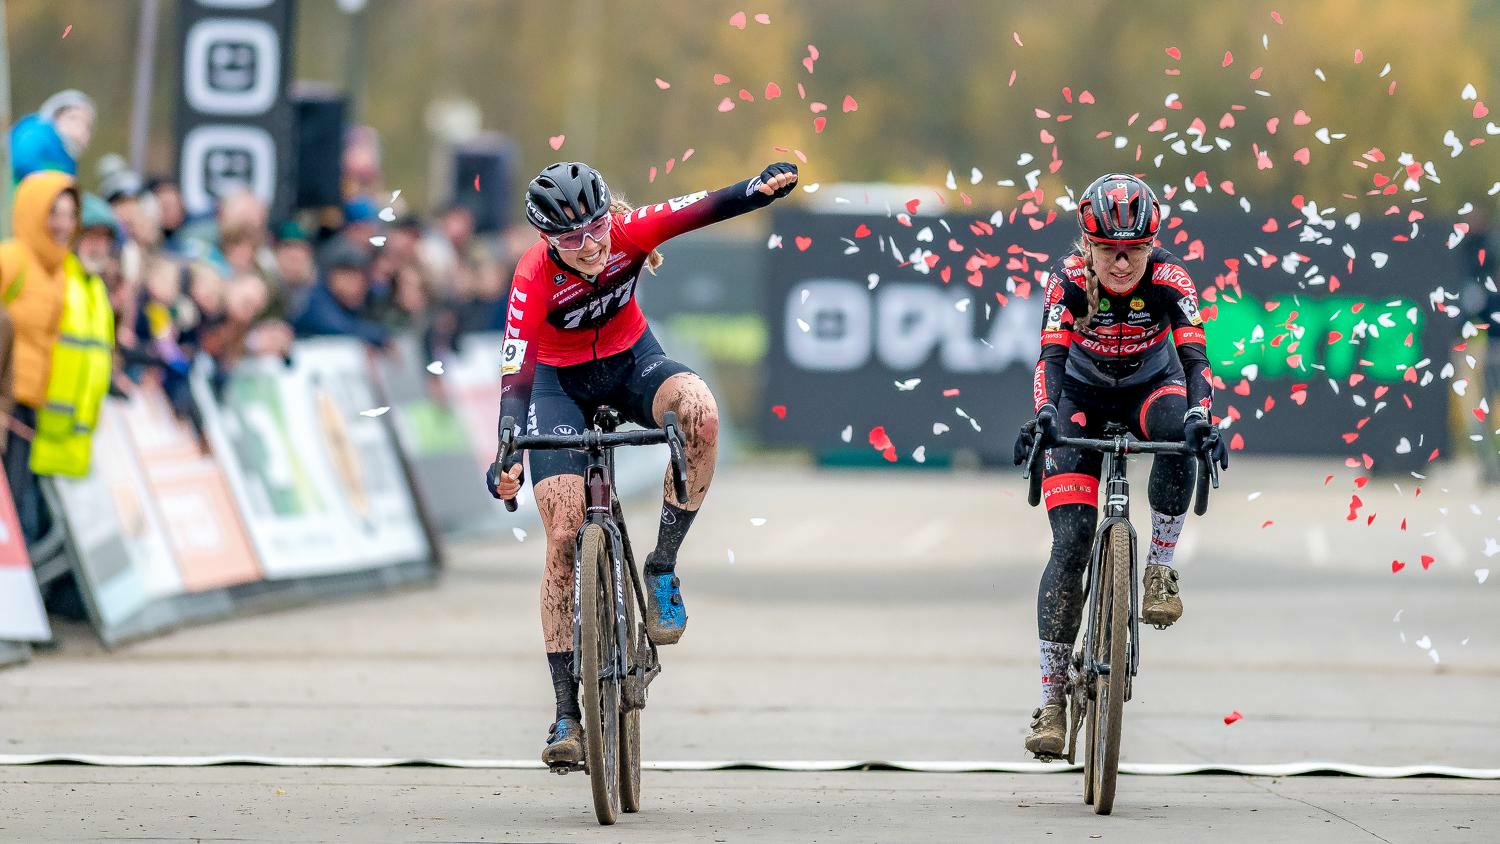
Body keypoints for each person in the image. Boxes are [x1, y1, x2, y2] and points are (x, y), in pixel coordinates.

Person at [486, 160, 798, 766]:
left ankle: (661, 566)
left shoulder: (629, 231)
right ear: (547, 240)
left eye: (597, 227)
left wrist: (754, 189)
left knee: (700, 414)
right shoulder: (532, 274)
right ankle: (565, 714)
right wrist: (506, 448)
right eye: (572, 239)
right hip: (559, 388)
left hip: (632, 364)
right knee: (563, 537)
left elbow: (703, 206)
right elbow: (516, 369)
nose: (592, 245)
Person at [1013, 173, 1228, 758]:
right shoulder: (1068, 281)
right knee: (1073, 541)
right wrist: (1045, 418)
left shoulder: (1170, 279)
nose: (1122, 262)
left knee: (1178, 427)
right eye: (1109, 249)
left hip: (1149, 390)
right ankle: (1053, 703)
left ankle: (1158, 569)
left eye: (1134, 248)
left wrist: (1202, 418)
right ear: (1089, 245)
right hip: (1079, 400)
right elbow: (1050, 360)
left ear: (1151, 243)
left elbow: (1195, 359)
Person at [0, 171, 79, 542]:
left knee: (14, 508)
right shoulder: (12, 258)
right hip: (6, 403)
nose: (63, 224)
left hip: (30, 405)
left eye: (69, 214)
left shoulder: (60, 271)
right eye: (54, 213)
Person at [10, 89, 95, 181]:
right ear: (56, 116)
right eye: (73, 118)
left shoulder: (69, 160)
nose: (80, 128)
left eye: (86, 124)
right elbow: (23, 160)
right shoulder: (38, 132)